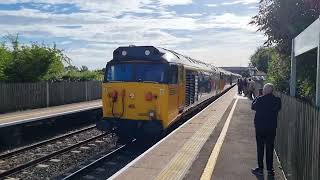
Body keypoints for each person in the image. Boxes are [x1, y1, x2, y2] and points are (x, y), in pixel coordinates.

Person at [251, 83, 281, 177]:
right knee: (269, 148)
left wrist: (258, 97)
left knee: (260, 149)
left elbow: (253, 106)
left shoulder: (260, 99)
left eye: (264, 89)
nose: (263, 90)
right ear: (272, 91)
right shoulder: (277, 100)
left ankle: (260, 169)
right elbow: (277, 108)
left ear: (266, 90)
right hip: (271, 129)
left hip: (260, 129)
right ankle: (270, 170)